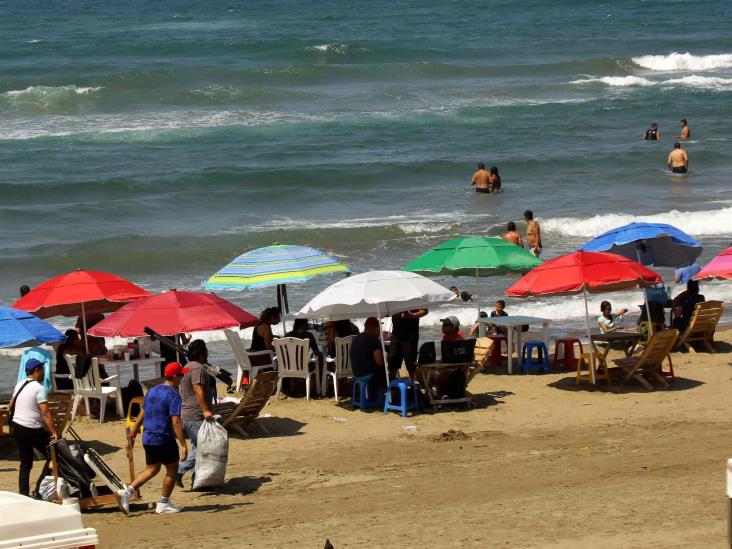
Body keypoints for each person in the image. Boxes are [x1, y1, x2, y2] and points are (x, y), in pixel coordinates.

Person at [119, 362, 188, 515]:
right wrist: (183, 445)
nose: (183, 378)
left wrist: (132, 436)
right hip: (163, 438)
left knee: (153, 468)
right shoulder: (174, 395)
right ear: (175, 377)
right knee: (172, 469)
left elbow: (140, 417)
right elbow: (175, 422)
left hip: (148, 438)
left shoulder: (152, 391)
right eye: (182, 375)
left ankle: (128, 492)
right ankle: (163, 503)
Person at [10, 358, 58, 497]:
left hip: (17, 427)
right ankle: (39, 490)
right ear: (37, 371)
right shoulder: (39, 388)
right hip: (31, 429)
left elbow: (10, 405)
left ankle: (23, 494)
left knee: (25, 463)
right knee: (54, 455)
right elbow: (46, 413)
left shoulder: (20, 384)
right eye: (42, 370)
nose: (43, 373)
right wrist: (54, 432)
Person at [177, 340, 214, 488]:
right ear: (201, 354)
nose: (207, 354)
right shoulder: (198, 368)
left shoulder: (186, 368)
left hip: (186, 414)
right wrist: (206, 410)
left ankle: (196, 481)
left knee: (196, 446)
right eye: (205, 351)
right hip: (195, 414)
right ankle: (179, 471)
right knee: (203, 448)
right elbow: (198, 389)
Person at [350, 317, 388, 390]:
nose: (380, 330)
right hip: (370, 376)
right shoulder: (373, 340)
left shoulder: (356, 339)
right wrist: (386, 358)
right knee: (393, 382)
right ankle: (391, 399)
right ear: (374, 328)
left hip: (357, 376)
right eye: (379, 328)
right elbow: (380, 362)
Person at [388, 309, 427, 378]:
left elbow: (425, 310)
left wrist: (413, 315)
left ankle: (412, 383)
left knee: (410, 362)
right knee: (392, 360)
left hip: (410, 335)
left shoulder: (413, 298)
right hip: (396, 334)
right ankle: (392, 383)